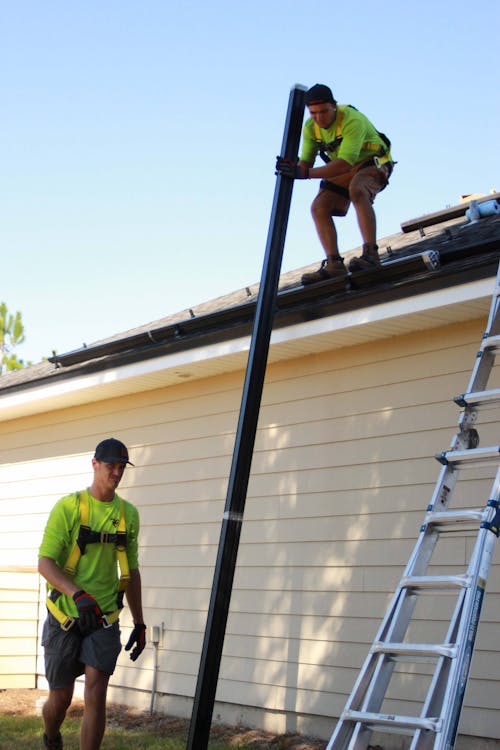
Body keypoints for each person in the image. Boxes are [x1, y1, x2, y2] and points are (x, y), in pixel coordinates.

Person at [38, 438, 146, 750]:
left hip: (103, 617)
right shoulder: (69, 507)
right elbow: (45, 563)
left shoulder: (128, 515)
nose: (116, 472)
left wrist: (139, 622)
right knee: (60, 698)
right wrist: (76, 594)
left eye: (121, 467)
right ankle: (52, 736)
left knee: (96, 694)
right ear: (95, 464)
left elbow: (132, 571)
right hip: (65, 616)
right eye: (110, 465)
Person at [276, 83, 394, 284]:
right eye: (313, 114)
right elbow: (306, 163)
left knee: (357, 191)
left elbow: (343, 163)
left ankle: (371, 255)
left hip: (373, 163)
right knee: (319, 207)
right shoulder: (310, 128)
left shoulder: (351, 120)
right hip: (347, 169)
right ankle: (334, 265)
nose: (319, 118)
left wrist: (304, 173)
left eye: (323, 112)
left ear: (334, 106)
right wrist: (292, 166)